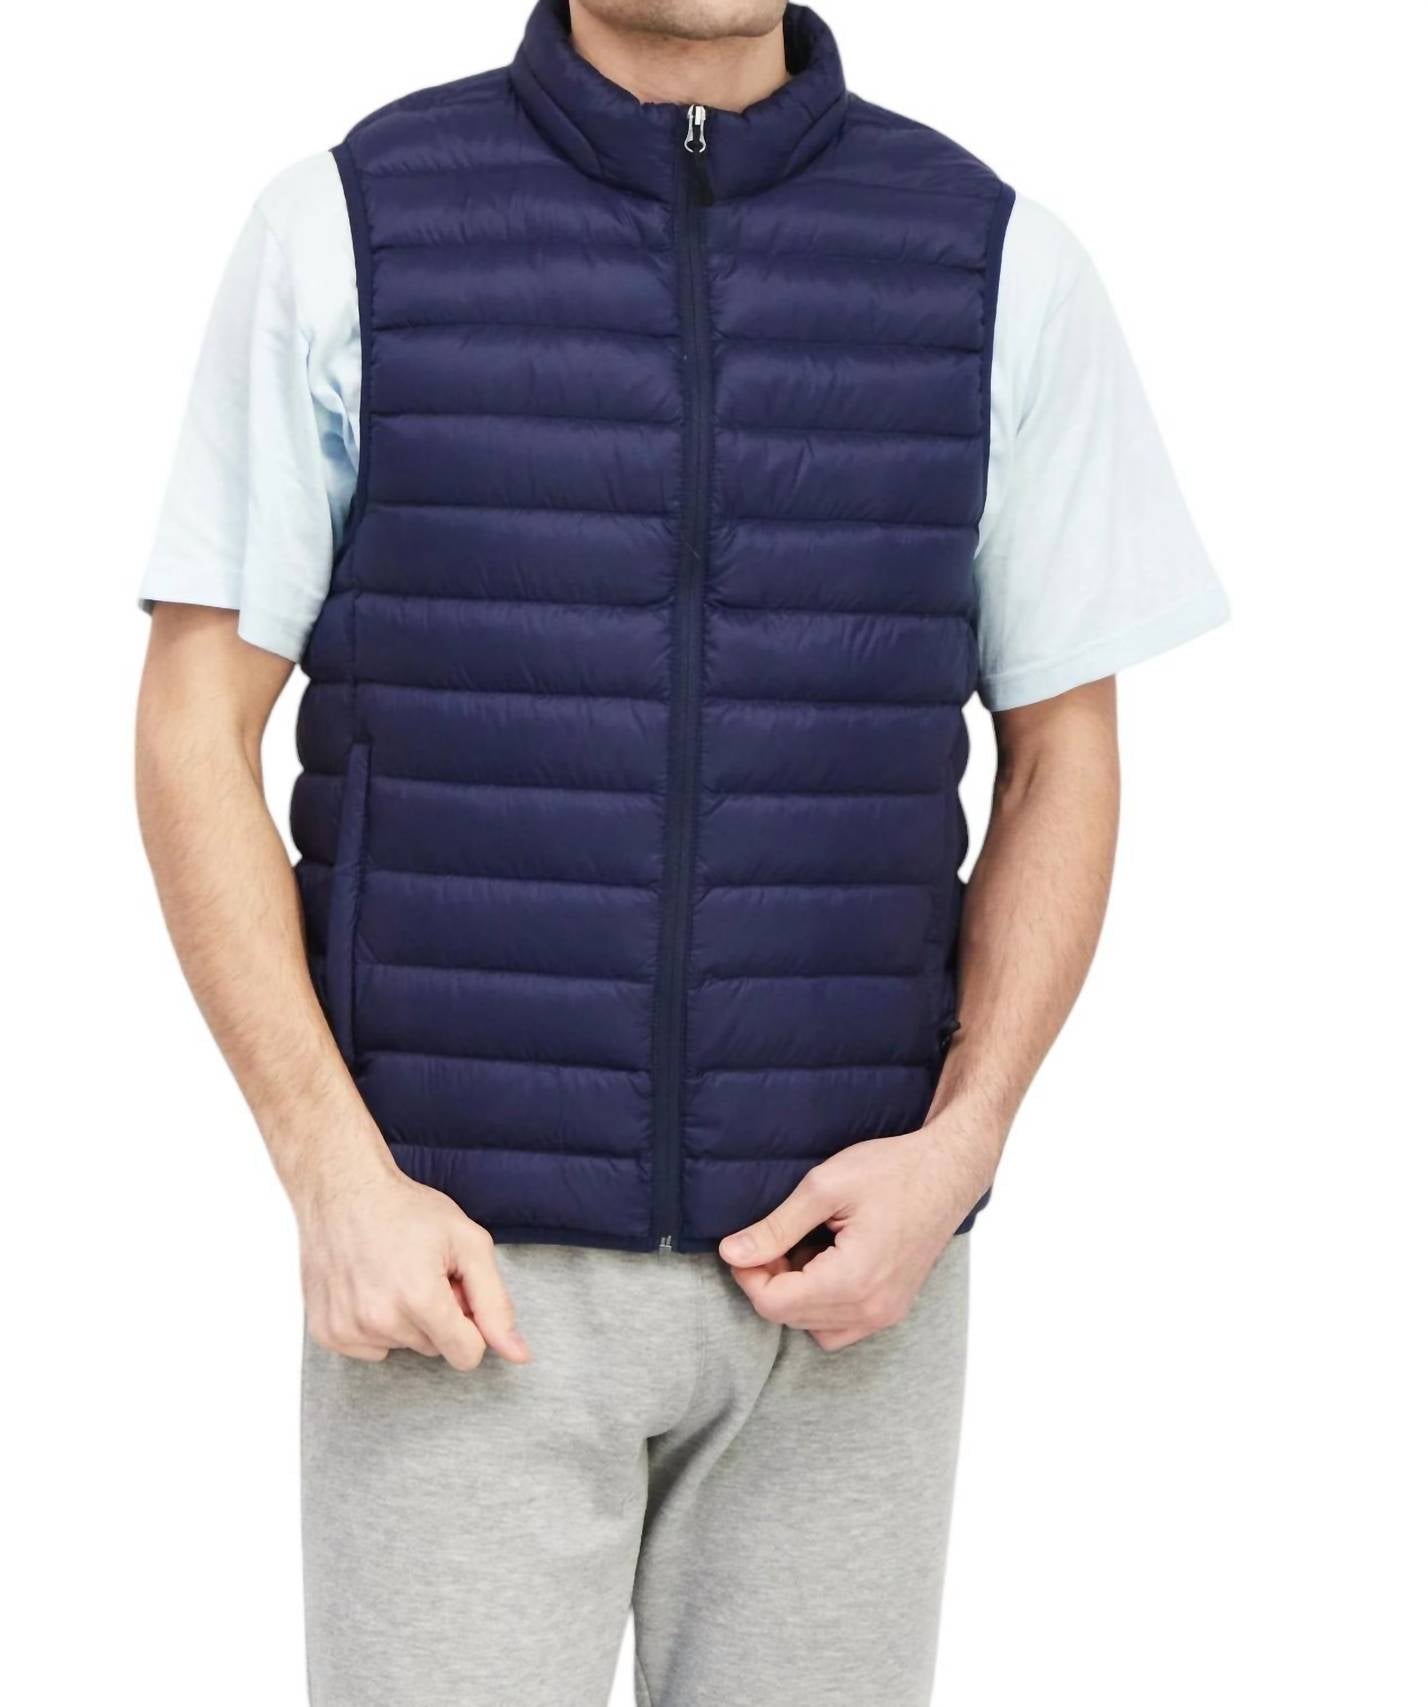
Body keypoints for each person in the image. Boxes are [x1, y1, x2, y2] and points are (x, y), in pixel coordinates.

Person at [135, 2, 1227, 1700]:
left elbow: (1061, 753)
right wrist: (332, 1176)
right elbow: (192, 725)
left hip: (845, 1278)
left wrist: (960, 1152)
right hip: (457, 1278)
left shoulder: (994, 262)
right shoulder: (350, 226)